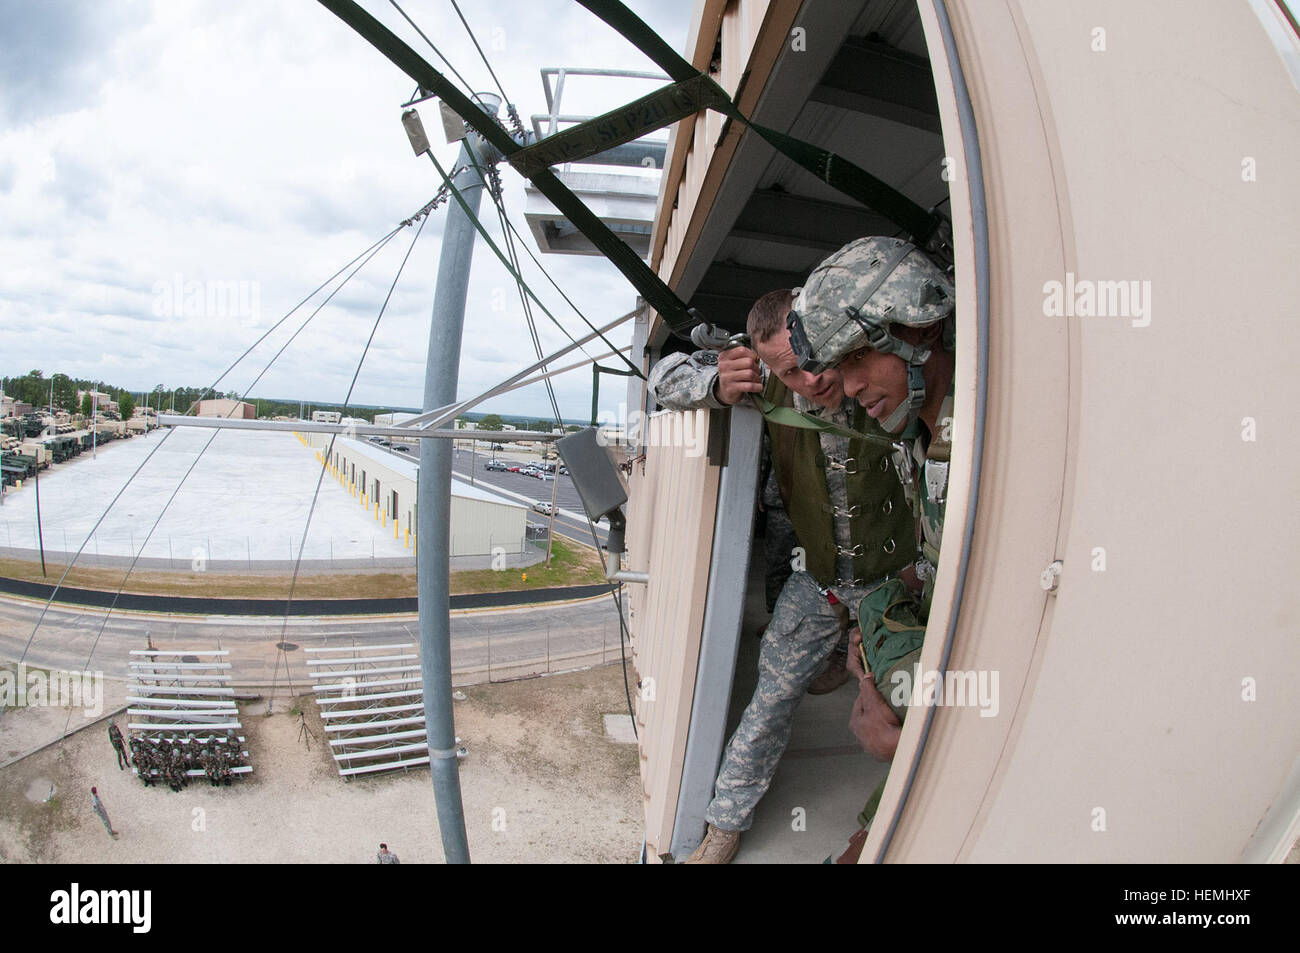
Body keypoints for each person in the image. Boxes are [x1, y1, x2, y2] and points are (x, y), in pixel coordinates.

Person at [649, 289, 917, 864]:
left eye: (815, 359)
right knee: (770, 700)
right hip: (817, 579)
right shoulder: (763, 376)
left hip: (897, 583)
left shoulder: (870, 363)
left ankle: (899, 824)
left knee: (904, 703)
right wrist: (715, 383)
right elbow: (662, 378)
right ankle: (723, 826)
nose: (814, 381)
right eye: (789, 373)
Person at [782, 235, 957, 860]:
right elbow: (937, 565)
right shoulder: (918, 437)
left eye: (857, 359)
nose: (847, 385)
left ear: (920, 330)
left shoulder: (986, 439)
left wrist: (915, 730)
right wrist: (868, 656)